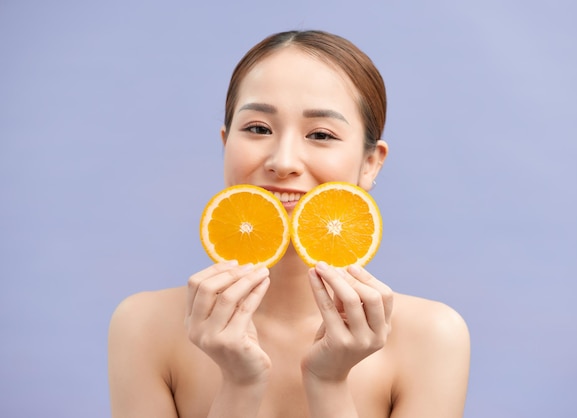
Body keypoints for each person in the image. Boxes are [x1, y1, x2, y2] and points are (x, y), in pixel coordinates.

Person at [108, 29, 470, 418]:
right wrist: (239, 385)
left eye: (320, 134)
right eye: (258, 128)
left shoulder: (434, 337)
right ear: (225, 143)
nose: (283, 161)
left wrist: (329, 383)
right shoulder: (143, 327)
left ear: (370, 163)